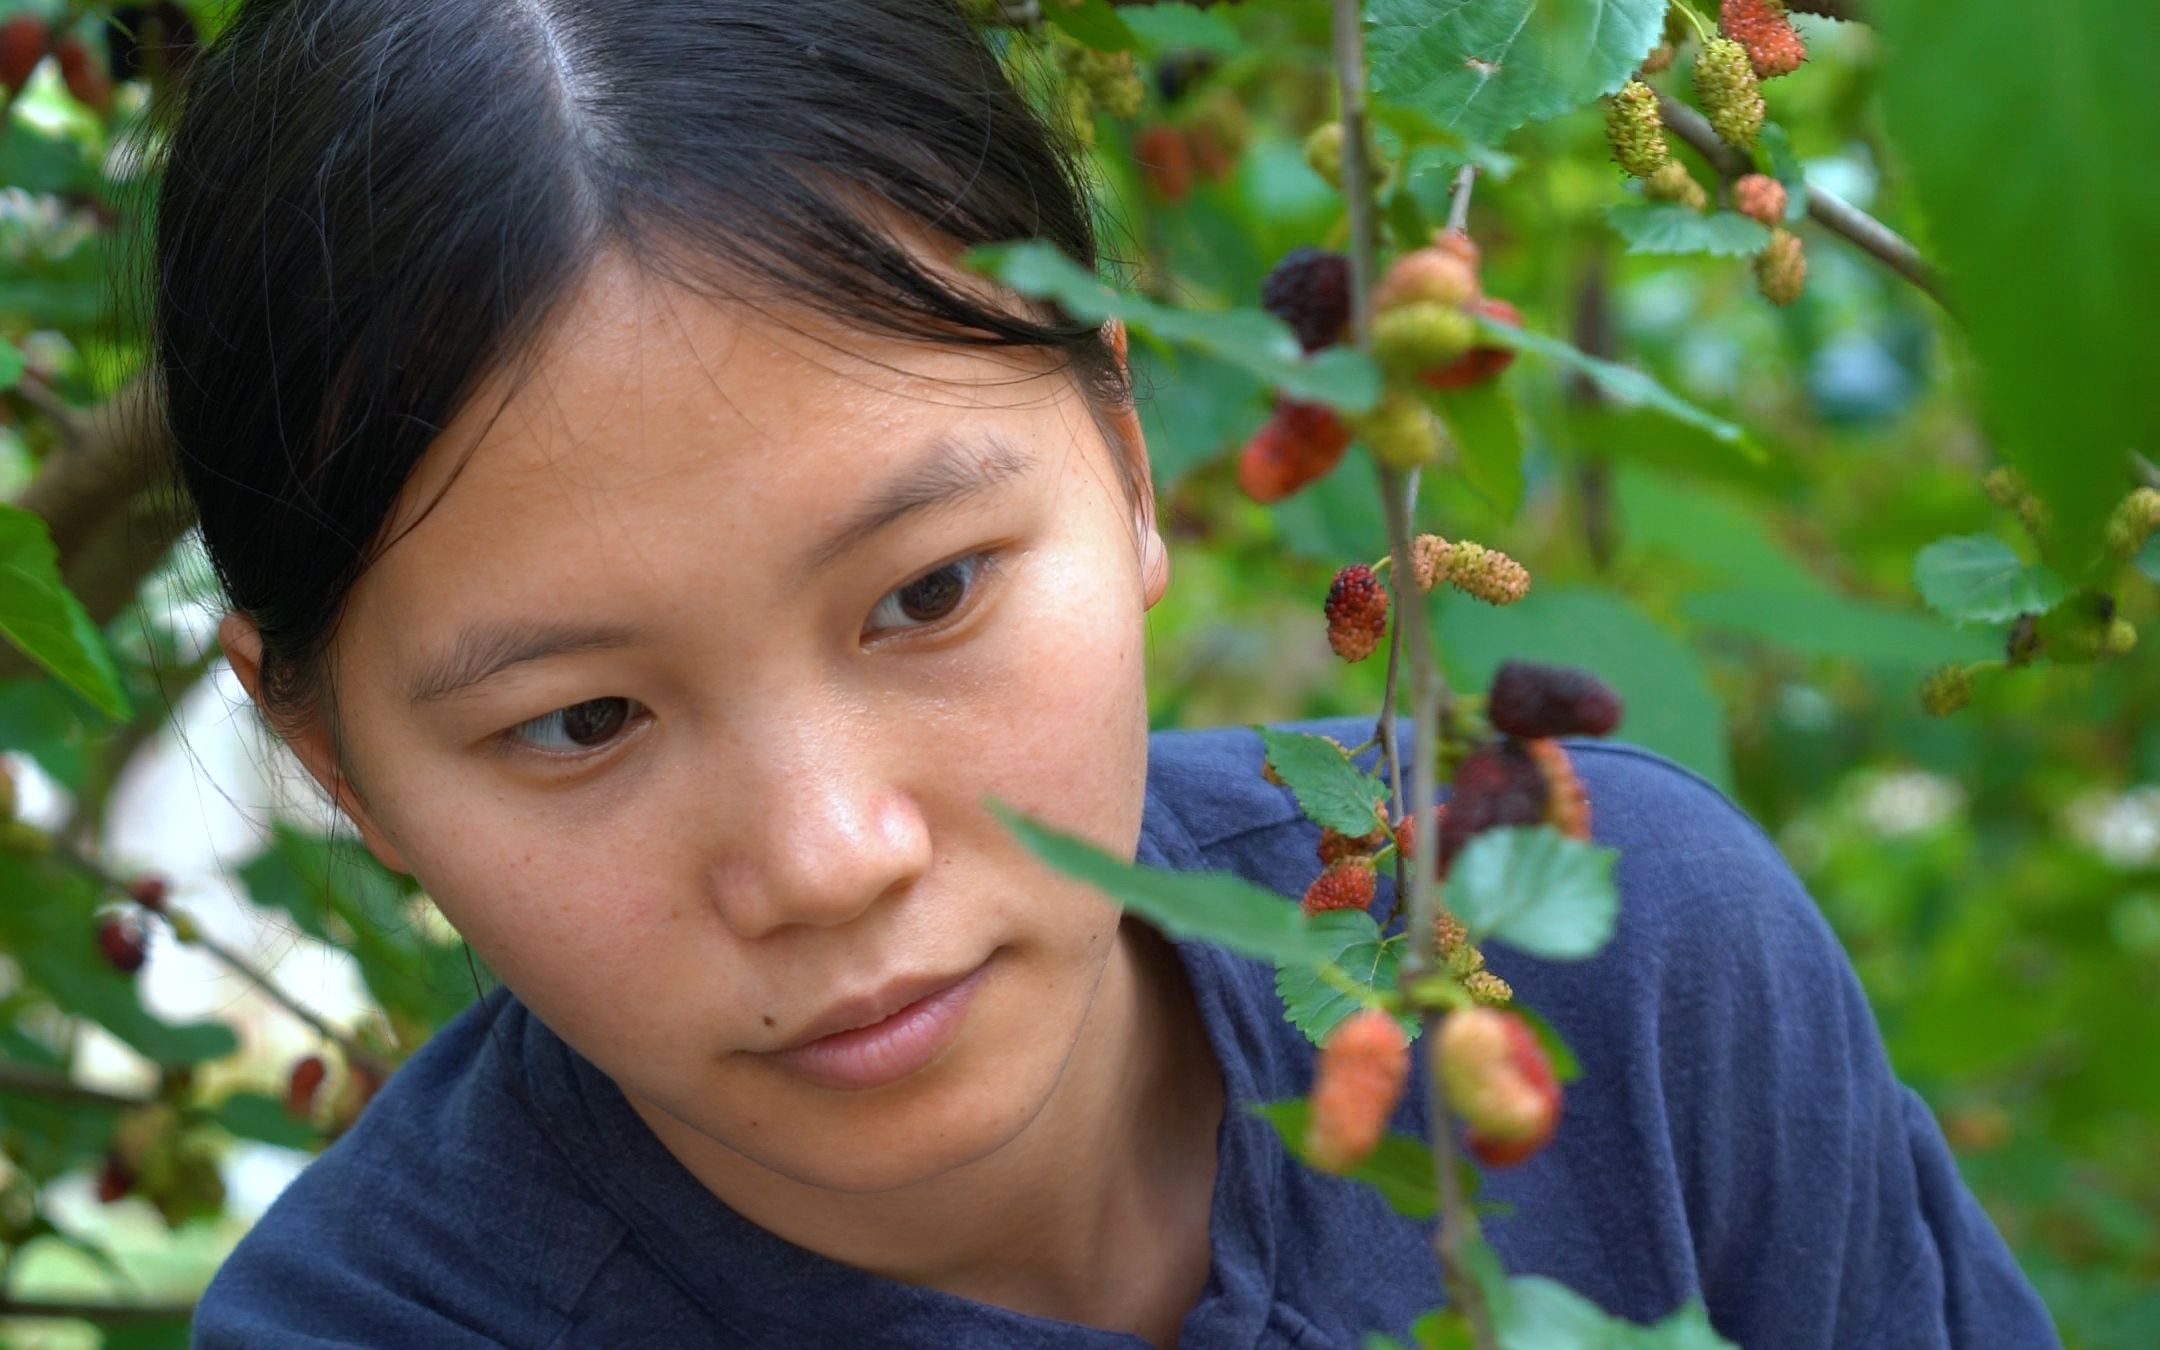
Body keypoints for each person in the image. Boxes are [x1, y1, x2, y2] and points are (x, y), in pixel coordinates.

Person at [150, 2, 2060, 1347]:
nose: (829, 857)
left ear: (1129, 468)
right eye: (581, 720)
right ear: (335, 756)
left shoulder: (1617, 965)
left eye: (928, 595)